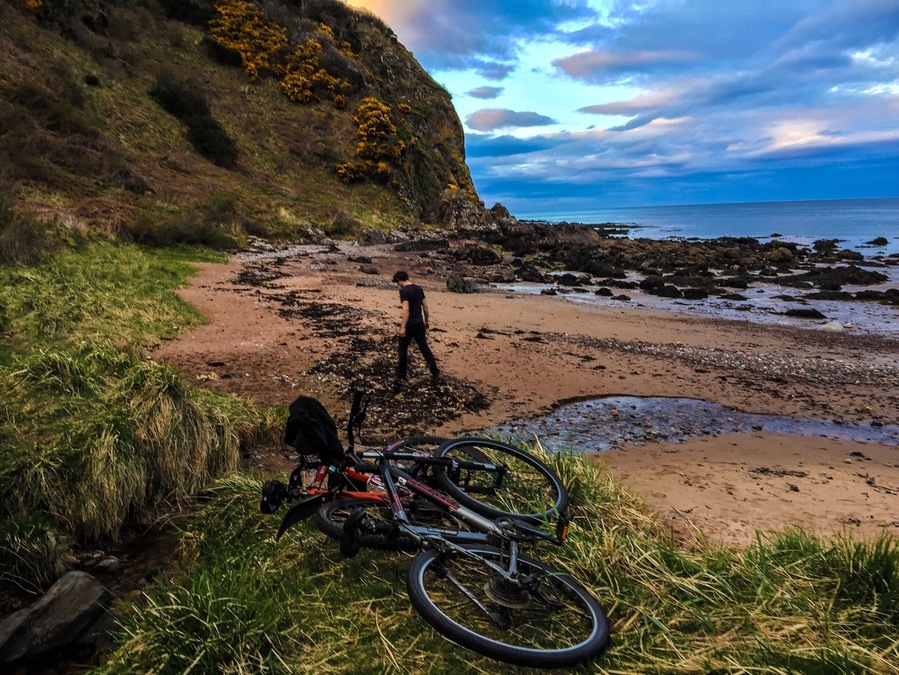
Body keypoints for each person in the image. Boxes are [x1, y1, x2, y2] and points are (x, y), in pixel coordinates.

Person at [392, 270, 440, 388]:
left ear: (399, 280)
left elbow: (406, 309)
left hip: (409, 325)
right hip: (419, 323)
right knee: (424, 347)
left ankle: (402, 375)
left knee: (403, 349)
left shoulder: (404, 291)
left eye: (397, 282)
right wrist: (426, 321)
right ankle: (435, 370)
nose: (397, 285)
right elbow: (426, 307)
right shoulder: (419, 288)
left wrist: (403, 326)